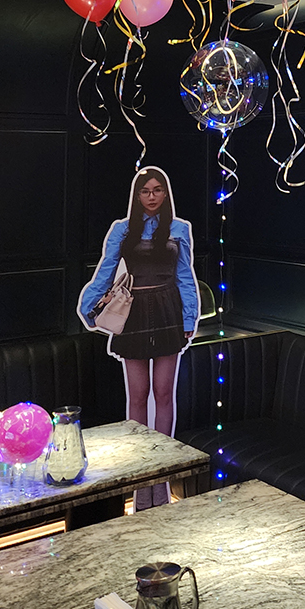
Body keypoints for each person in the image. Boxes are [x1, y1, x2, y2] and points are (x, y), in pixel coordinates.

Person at [78, 166, 199, 508]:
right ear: (137, 195)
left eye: (157, 190)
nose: (151, 196)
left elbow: (185, 276)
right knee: (138, 394)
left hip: (168, 309)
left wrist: (189, 315)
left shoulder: (179, 228)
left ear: (165, 193)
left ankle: (161, 473)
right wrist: (88, 307)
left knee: (163, 393)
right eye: (145, 191)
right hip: (133, 311)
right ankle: (139, 473)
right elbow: (106, 271)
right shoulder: (123, 229)